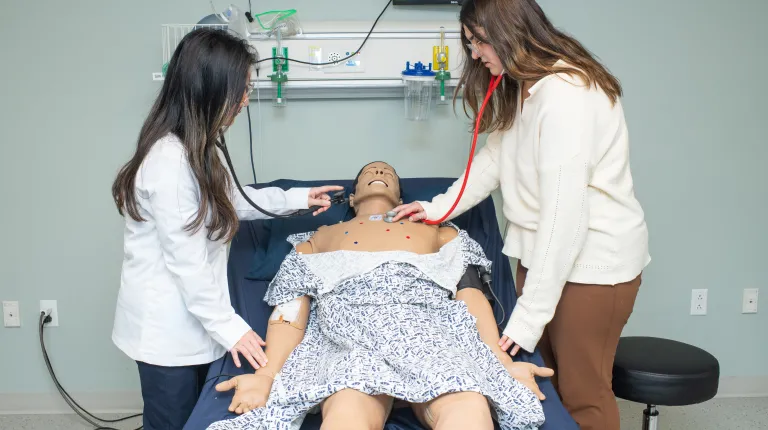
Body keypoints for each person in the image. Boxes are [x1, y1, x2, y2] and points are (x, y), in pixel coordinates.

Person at [391, 1, 650, 429]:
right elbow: (493, 161)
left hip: (593, 268)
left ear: (510, 32)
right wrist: (436, 209)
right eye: (469, 43)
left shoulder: (567, 97)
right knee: (547, 390)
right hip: (544, 259)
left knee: (583, 395)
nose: (474, 54)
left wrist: (528, 318)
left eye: (479, 41)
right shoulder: (526, 87)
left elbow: (564, 219)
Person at [109, 28, 343, 430]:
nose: (246, 100)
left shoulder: (200, 148)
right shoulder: (169, 162)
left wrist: (298, 198)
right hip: (166, 330)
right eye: (242, 90)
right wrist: (235, 330)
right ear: (210, 89)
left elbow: (232, 200)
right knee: (171, 423)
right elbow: (188, 265)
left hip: (195, 321)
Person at [207, 161, 554, 430]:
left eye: (387, 172)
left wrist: (501, 363)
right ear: (352, 196)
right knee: (346, 415)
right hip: (351, 337)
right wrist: (266, 377)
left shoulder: (439, 232)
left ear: (401, 198)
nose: (378, 170)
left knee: (469, 411)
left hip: (429, 334)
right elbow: (291, 309)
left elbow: (470, 295)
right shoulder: (320, 236)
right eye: (369, 173)